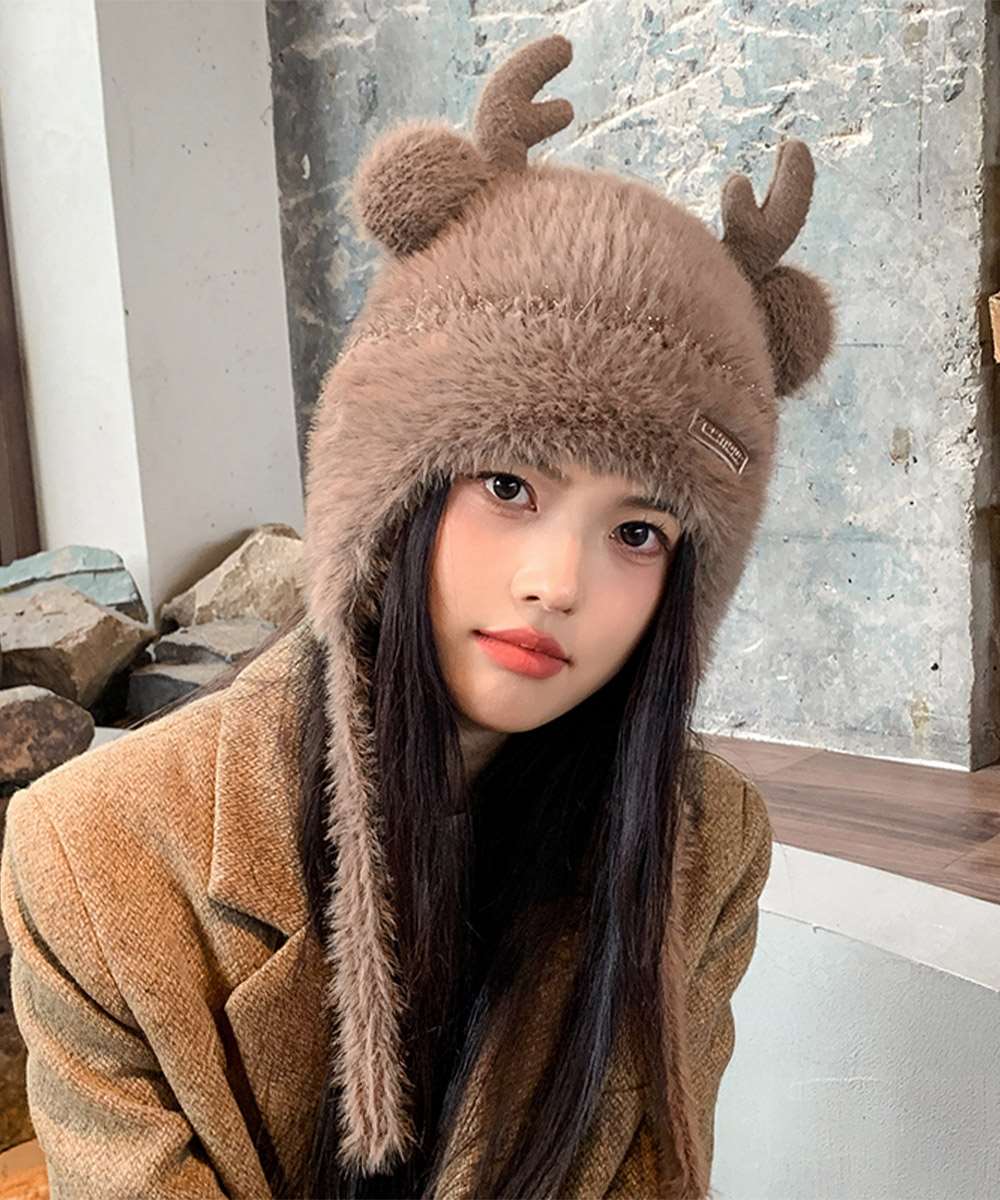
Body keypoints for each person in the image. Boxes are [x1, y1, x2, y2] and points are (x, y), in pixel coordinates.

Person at [0, 31, 835, 1200]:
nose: (557, 582)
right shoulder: (95, 853)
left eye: (638, 533)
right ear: (389, 497)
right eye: (508, 485)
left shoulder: (703, 847)